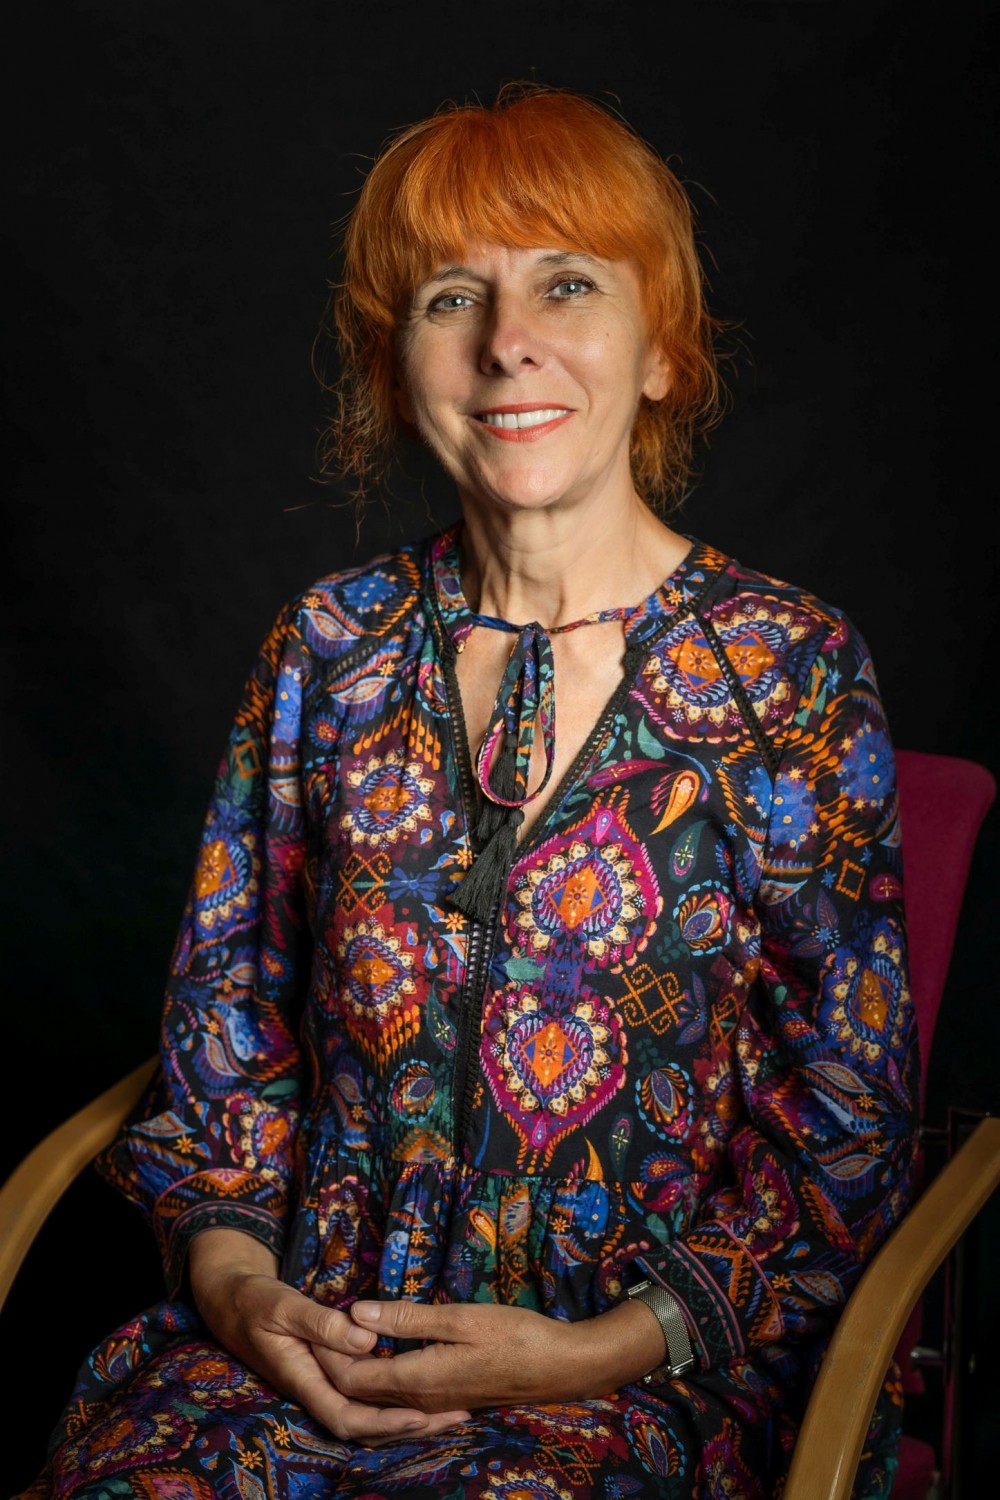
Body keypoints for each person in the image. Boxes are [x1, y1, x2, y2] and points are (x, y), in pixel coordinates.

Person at [21, 84, 918, 1500]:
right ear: (400, 369)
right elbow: (223, 1048)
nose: (508, 343)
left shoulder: (787, 672)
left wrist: (592, 1352)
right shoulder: (326, 649)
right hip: (305, 1347)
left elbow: (848, 1123)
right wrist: (244, 1295)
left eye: (568, 284)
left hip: (634, 1383)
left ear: (663, 352)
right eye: (453, 298)